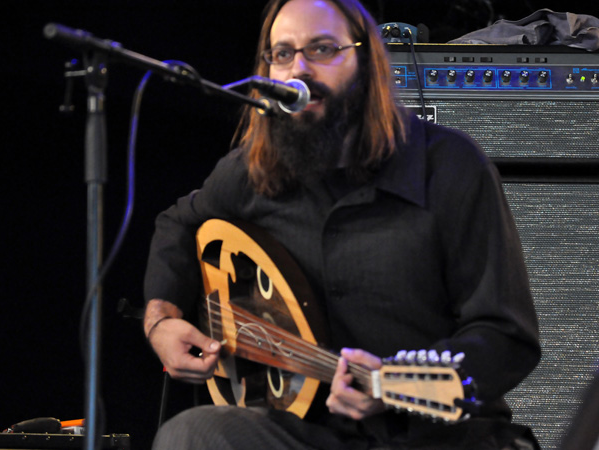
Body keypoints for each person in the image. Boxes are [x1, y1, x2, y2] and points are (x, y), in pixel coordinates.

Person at [143, 0, 541, 448]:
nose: (299, 69)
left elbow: (506, 336)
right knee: (190, 435)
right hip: (310, 435)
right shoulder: (252, 172)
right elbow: (179, 223)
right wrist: (161, 321)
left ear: (367, 63)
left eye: (322, 49)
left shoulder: (449, 166)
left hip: (442, 436)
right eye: (282, 54)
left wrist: (397, 386)